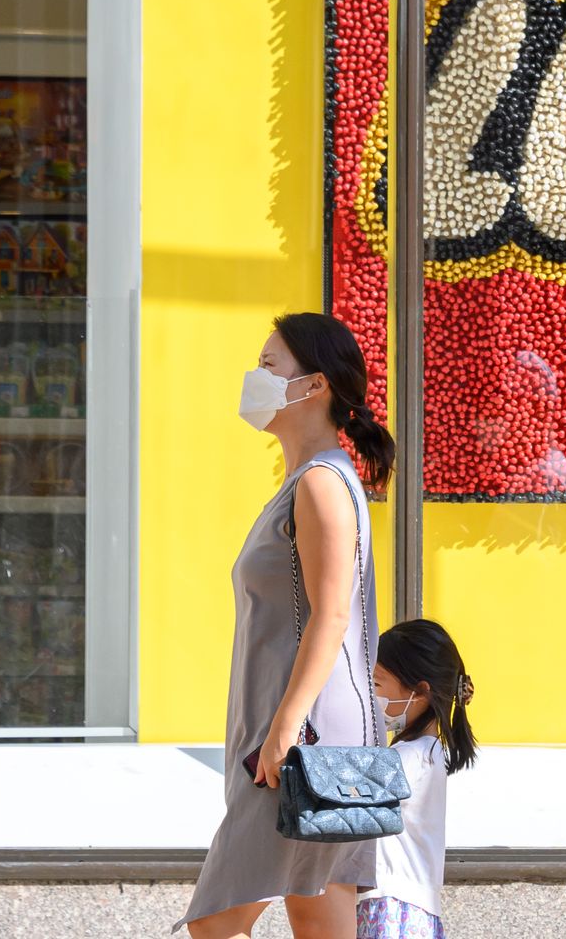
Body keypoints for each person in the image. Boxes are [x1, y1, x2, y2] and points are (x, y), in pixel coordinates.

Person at [180, 312, 397, 939]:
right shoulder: (315, 479)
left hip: (301, 735)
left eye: (271, 365)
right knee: (317, 907)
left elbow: (331, 616)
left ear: (315, 385)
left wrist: (280, 730)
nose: (258, 376)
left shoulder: (323, 484)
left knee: (217, 923)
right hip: (311, 728)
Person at [356, 619, 479, 939]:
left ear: (420, 692)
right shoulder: (429, 751)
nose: (371, 693)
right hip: (412, 907)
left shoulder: (412, 757)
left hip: (392, 906)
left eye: (378, 683)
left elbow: (350, 788)